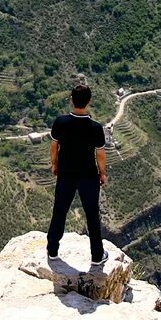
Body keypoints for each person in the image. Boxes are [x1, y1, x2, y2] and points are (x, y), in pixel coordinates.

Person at [47, 82, 107, 263]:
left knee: (60, 210)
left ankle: (52, 250)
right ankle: (97, 256)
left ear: (71, 100)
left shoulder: (61, 122)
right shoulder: (95, 128)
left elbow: (53, 146)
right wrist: (102, 173)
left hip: (66, 173)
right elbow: (100, 154)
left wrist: (54, 164)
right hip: (89, 175)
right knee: (92, 214)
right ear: (89, 101)